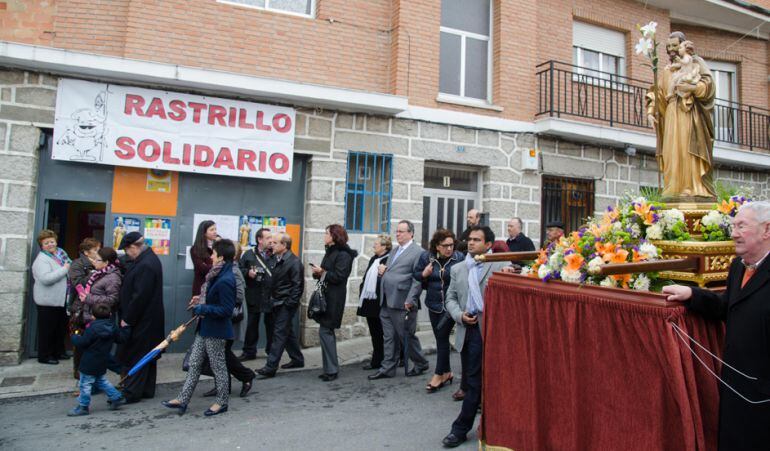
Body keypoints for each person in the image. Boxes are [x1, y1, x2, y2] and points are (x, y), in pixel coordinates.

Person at [662, 201, 770, 450]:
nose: (733, 233)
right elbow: (727, 306)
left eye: (741, 226)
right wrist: (692, 294)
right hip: (735, 390)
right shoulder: (737, 267)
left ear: (766, 230)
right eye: (733, 226)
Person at [441, 226, 510, 448]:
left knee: (497, 382)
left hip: (495, 331)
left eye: (477, 240)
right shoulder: (459, 269)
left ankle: (499, 428)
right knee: (472, 382)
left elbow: (516, 283)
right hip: (469, 331)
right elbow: (450, 297)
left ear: (488, 244)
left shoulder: (501, 265)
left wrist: (513, 274)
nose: (470, 243)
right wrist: (459, 315)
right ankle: (460, 430)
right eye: (469, 239)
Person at [163, 239, 237, 417]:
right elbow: (213, 298)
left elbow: (227, 310)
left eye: (213, 253)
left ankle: (221, 401)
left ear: (221, 257)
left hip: (216, 331)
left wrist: (203, 308)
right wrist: (200, 299)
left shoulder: (226, 279)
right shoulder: (216, 274)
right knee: (194, 363)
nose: (211, 256)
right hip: (205, 328)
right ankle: (183, 398)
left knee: (218, 366)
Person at [646, 31, 716, 200]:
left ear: (684, 45)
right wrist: (650, 111)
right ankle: (673, 187)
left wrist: (692, 88)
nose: (671, 50)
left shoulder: (695, 62)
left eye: (675, 46)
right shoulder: (666, 71)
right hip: (670, 113)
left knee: (686, 149)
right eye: (668, 47)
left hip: (688, 114)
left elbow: (708, 85)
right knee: (671, 151)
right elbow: (658, 93)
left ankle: (691, 187)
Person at [369, 220, 429, 380]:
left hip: (403, 301)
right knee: (389, 336)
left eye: (401, 231)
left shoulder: (419, 252)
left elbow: (418, 279)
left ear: (411, 233)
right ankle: (387, 367)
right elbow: (392, 271)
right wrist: (384, 271)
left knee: (406, 336)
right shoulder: (395, 251)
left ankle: (421, 362)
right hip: (386, 299)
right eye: (397, 231)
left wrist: (411, 299)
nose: (397, 234)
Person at [195, 242, 256, 398]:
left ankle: (246, 376)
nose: (211, 256)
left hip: (230, 319)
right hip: (221, 317)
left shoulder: (233, 271)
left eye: (214, 253)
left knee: (222, 353)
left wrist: (216, 302)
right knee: (221, 354)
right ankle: (225, 384)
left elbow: (239, 296)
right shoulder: (221, 271)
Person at [116, 231, 165, 404]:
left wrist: (127, 318)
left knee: (138, 354)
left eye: (127, 250)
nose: (127, 254)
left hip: (144, 319)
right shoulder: (148, 259)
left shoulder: (146, 264)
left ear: (133, 247)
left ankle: (132, 392)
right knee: (148, 354)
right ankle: (147, 389)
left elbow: (140, 296)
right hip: (149, 318)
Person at [414, 229, 462, 392]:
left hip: (451, 305)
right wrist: (424, 273)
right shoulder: (426, 257)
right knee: (441, 339)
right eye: (445, 246)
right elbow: (415, 275)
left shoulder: (459, 258)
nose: (449, 249)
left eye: (451, 245)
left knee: (441, 336)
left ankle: (437, 375)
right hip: (434, 304)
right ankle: (447, 372)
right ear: (436, 246)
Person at [311, 224, 357, 382]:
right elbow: (327, 274)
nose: (324, 236)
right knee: (325, 332)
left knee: (326, 332)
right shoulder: (330, 251)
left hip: (334, 299)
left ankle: (331, 369)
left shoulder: (344, 254)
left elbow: (339, 276)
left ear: (334, 236)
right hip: (326, 295)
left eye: (326, 233)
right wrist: (317, 273)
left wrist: (322, 272)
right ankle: (329, 368)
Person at [256, 233, 305, 378]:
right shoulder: (276, 259)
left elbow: (298, 286)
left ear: (284, 246)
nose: (272, 244)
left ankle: (270, 367)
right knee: (286, 331)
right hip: (276, 302)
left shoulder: (294, 262)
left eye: (276, 243)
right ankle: (297, 359)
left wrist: (289, 304)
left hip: (285, 303)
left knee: (279, 333)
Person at [67, 303, 127, 416]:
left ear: (93, 316)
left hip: (89, 362)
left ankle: (83, 406)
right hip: (102, 360)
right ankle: (116, 397)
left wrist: (75, 337)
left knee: (84, 384)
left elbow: (83, 343)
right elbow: (121, 339)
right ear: (110, 314)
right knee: (101, 380)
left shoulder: (92, 329)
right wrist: (125, 328)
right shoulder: (112, 327)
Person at [31, 229, 71, 365]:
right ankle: (44, 356)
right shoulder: (42, 260)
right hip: (47, 301)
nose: (50, 244)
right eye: (46, 243)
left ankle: (57, 352)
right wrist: (65, 269)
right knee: (47, 331)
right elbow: (46, 279)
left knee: (59, 329)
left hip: (59, 300)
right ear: (41, 245)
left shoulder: (59, 255)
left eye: (52, 241)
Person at [238, 228, 274, 361]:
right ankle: (249, 351)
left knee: (271, 324)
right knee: (251, 325)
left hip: (270, 295)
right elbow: (239, 270)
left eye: (271, 238)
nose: (271, 241)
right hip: (254, 294)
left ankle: (272, 351)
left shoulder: (275, 254)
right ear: (259, 239)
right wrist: (248, 273)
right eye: (268, 238)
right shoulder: (248, 254)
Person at [357, 234, 391, 371]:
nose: (373, 245)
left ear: (384, 246)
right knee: (375, 333)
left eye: (376, 244)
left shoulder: (389, 260)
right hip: (370, 302)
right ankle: (377, 360)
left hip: (381, 302)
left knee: (386, 332)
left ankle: (394, 357)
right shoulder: (373, 259)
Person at [191, 220, 217, 297]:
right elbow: (202, 269)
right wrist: (216, 264)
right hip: (201, 286)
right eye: (212, 230)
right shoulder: (195, 249)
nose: (215, 232)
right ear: (204, 232)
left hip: (215, 285)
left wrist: (210, 265)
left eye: (215, 229)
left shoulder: (218, 247)